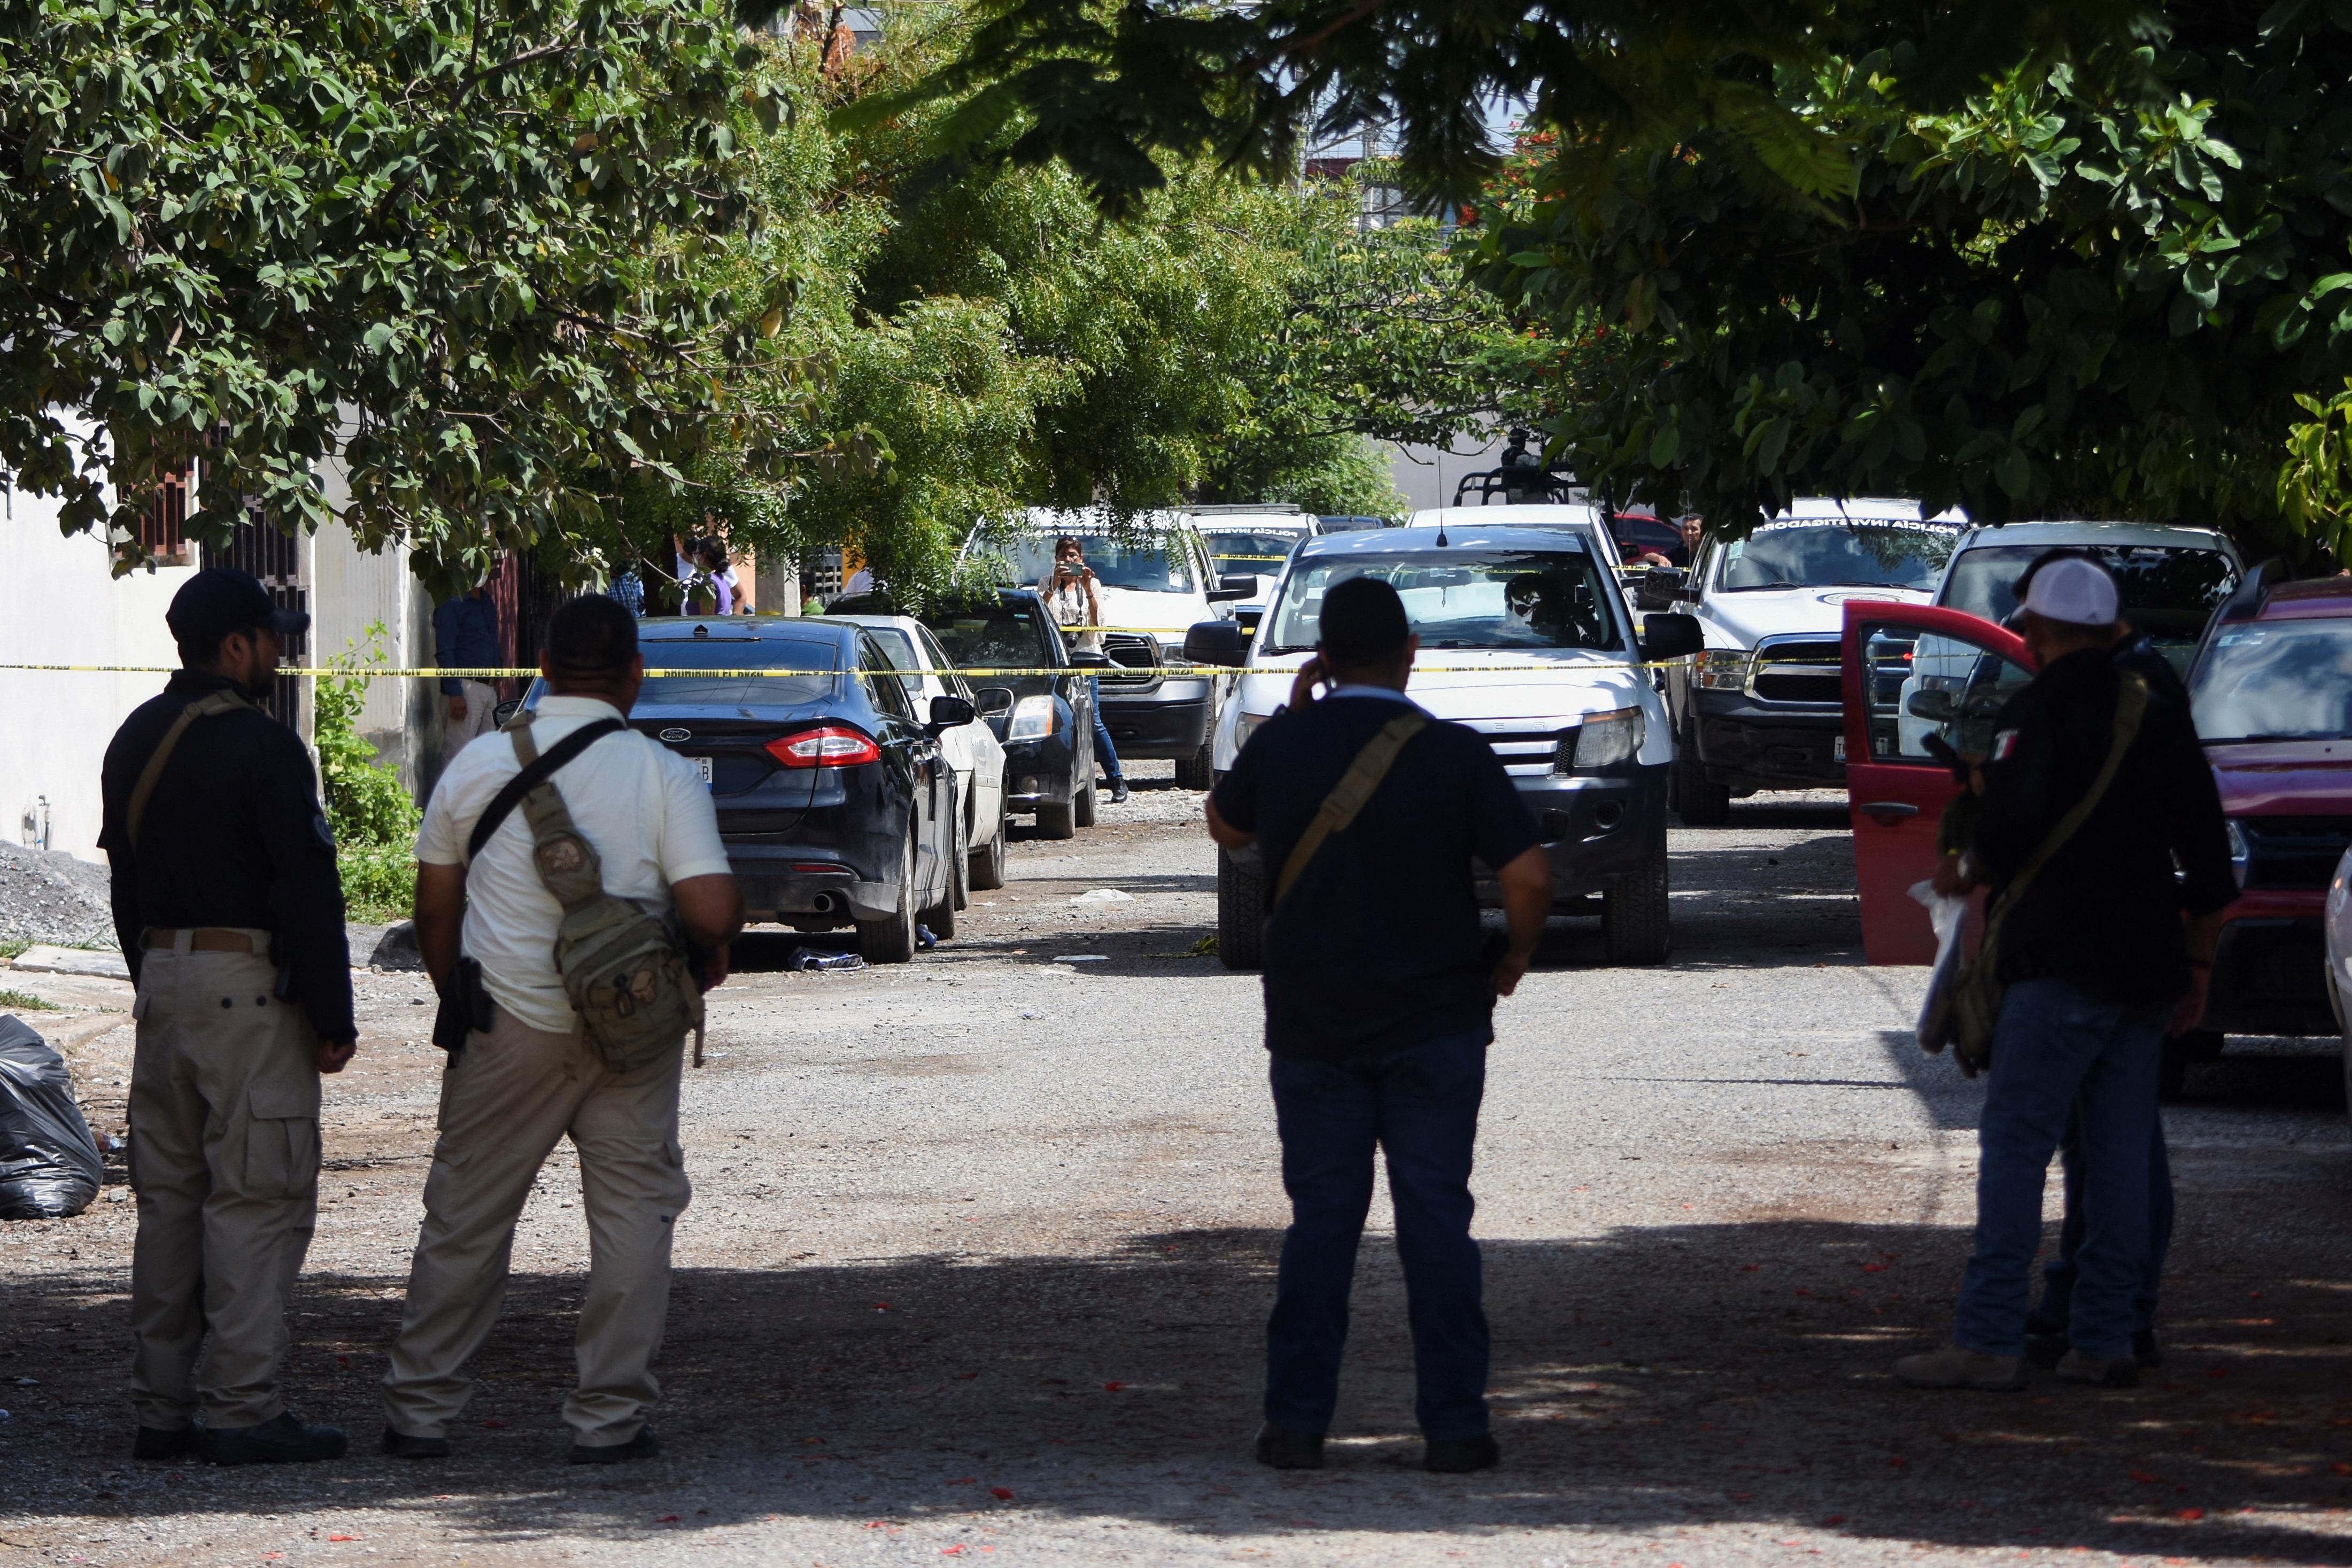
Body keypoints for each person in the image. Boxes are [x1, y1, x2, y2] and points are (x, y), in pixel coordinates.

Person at [381, 597, 745, 1464]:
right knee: (631, 1216)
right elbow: (707, 906)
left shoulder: (473, 768)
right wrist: (718, 932)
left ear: (542, 665)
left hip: (508, 1024)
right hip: (636, 1030)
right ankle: (607, 1419)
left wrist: (459, 994)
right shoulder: (663, 773)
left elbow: (434, 906)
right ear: (634, 674)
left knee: (467, 1215)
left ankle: (420, 1413)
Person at [1204, 576, 1551, 1474]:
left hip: (1314, 1025)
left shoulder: (1285, 741)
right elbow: (1529, 875)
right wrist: (1511, 955)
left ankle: (1296, 1424)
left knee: (1322, 1221)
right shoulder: (1455, 753)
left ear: (1321, 659)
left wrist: (1290, 718)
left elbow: (1223, 825)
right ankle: (1455, 1427)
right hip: (1437, 1023)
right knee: (1437, 1220)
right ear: (1411, 655)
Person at [1895, 557, 2234, 1393]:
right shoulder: (2159, 711)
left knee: (2015, 1147)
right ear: (2113, 625)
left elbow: (2006, 836)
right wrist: (2195, 966)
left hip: (2057, 964)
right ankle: (2107, 1337)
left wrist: (1961, 865)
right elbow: (2212, 869)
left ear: (2037, 632)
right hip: (2148, 963)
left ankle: (1986, 1338)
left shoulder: (2036, 708)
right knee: (2119, 1156)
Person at [98, 567, 357, 1466]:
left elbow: (124, 880)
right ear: (238, 647)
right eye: (271, 638)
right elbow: (305, 887)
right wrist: (332, 1012)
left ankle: (161, 1411)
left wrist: (153, 976)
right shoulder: (266, 747)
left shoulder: (135, 737)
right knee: (255, 1198)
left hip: (162, 981)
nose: (280, 654)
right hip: (246, 990)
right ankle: (243, 1408)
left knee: (167, 1204)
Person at [1038, 535, 1128, 804]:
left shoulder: (1093, 585)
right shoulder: (1046, 583)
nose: (1069, 560)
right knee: (1059, 720)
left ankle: (1116, 780)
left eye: (1074, 556)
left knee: (1094, 721)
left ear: (1082, 559)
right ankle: (1059, 781)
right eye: (1064, 555)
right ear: (1057, 559)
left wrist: (1088, 590)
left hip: (1087, 657)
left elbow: (1098, 628)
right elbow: (1042, 620)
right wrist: (1054, 587)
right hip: (1058, 660)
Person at [434, 580, 502, 767]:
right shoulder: (453, 602)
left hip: (488, 688)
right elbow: (445, 650)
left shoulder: (486, 601)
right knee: (456, 759)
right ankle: (446, 796)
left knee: (487, 759)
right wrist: (456, 693)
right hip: (465, 689)